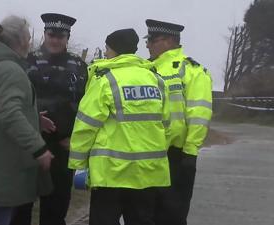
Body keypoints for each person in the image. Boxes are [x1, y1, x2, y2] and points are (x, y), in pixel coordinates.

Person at [68, 28, 171, 225]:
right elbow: (166, 125)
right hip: (148, 174)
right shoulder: (156, 80)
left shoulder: (106, 81)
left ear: (115, 50)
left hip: (111, 175)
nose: (105, 53)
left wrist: (78, 165)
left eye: (107, 48)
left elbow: (86, 126)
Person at [0, 15, 54, 225]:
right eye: (28, 36)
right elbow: (9, 114)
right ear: (19, 40)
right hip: (5, 167)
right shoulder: (10, 70)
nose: (30, 41)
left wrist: (34, 119)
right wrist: (39, 148)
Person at [10, 13, 87, 225]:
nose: (55, 40)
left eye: (60, 36)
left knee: (56, 207)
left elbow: (85, 105)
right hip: (31, 144)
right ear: (44, 34)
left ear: (67, 38)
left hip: (62, 147)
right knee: (21, 205)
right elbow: (17, 100)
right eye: (51, 35)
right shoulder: (27, 60)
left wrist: (74, 137)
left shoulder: (79, 66)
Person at [144, 19, 213, 225]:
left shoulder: (191, 70)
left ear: (169, 40)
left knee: (172, 215)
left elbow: (199, 114)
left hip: (176, 156)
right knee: (143, 215)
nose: (147, 45)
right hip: (145, 155)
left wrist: (190, 152)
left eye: (152, 40)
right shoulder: (144, 70)